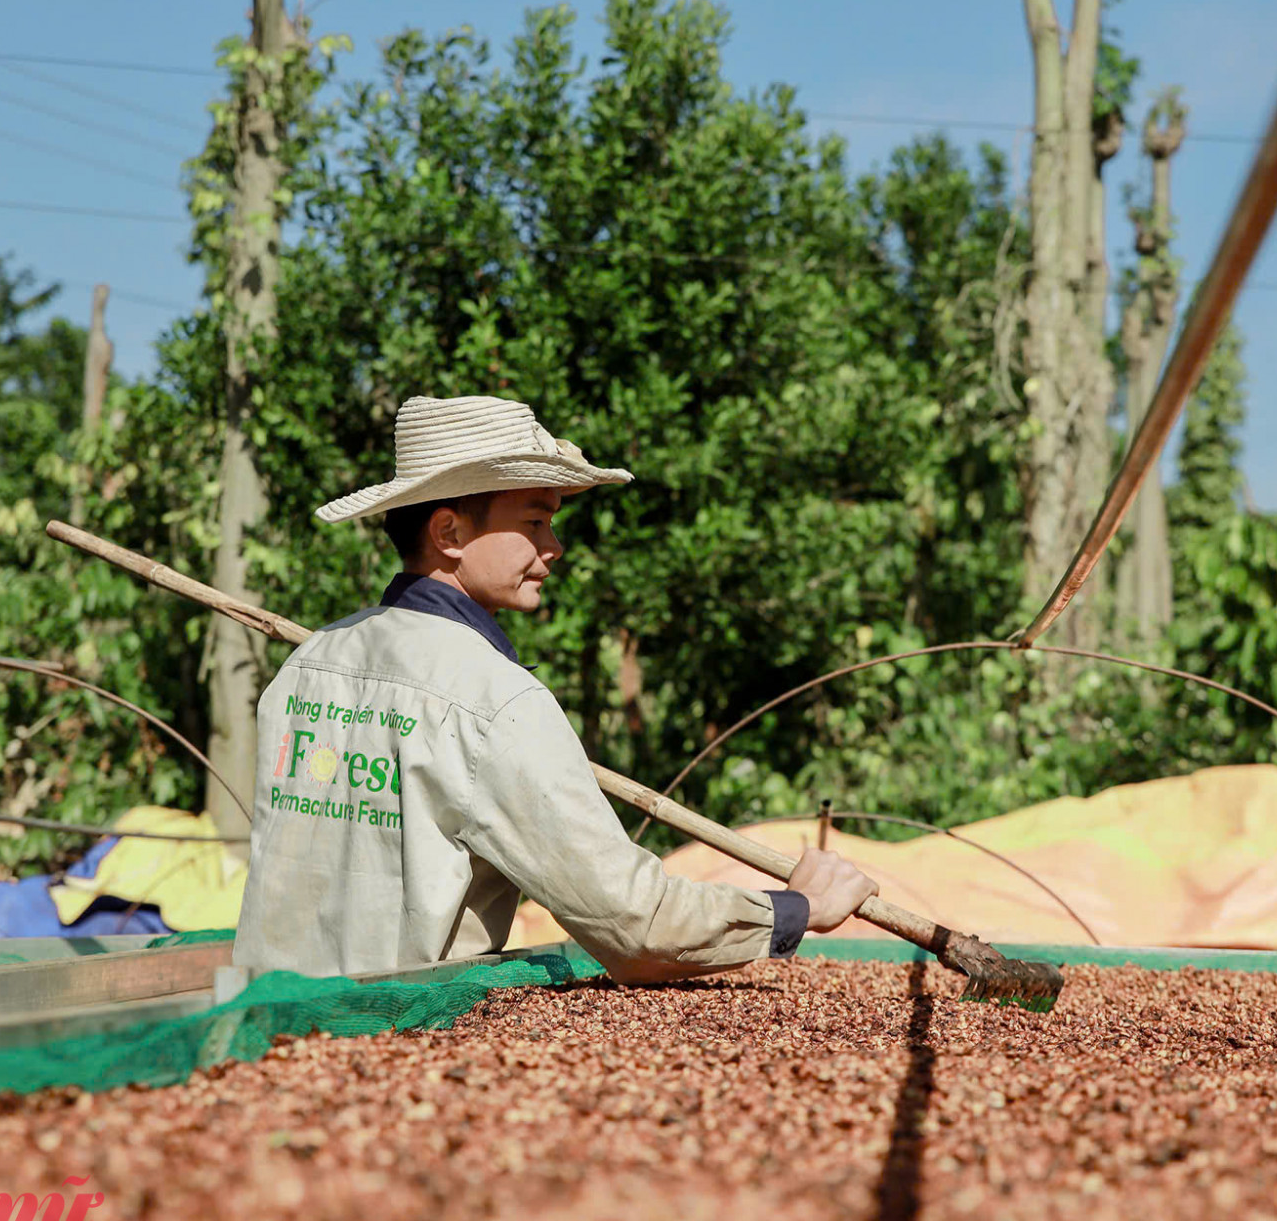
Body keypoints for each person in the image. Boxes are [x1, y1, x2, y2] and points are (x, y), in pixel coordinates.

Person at [233, 394, 878, 981]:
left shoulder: (308, 663)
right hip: (400, 1038)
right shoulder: (496, 702)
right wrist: (798, 908)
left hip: (266, 1030)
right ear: (450, 533)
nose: (556, 546)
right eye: (537, 522)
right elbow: (633, 925)